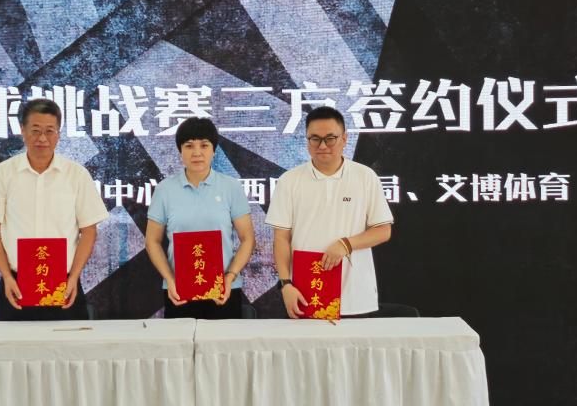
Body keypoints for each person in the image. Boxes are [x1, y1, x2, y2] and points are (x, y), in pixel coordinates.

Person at [0, 98, 108, 321]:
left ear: (58, 134)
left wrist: (74, 277)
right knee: (15, 344)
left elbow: (89, 231)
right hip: (16, 285)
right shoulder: (3, 174)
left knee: (70, 343)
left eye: (49, 131)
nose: (42, 138)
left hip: (65, 285)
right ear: (23, 131)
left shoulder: (76, 175)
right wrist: (7, 277)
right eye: (35, 130)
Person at [266, 106, 394, 318]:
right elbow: (281, 239)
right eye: (315, 139)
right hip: (305, 294)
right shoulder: (289, 180)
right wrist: (286, 284)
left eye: (330, 138)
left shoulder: (365, 176)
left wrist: (345, 244)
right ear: (307, 141)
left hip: (355, 295)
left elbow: (383, 230)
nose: (322, 145)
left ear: (344, 139)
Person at [145, 117, 255, 319]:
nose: (197, 152)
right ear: (180, 151)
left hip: (224, 291)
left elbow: (247, 239)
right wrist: (169, 279)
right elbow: (152, 240)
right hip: (178, 292)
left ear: (214, 150)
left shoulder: (231, 187)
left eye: (204, 145)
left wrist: (230, 276)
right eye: (189, 146)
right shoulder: (164, 190)